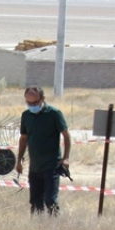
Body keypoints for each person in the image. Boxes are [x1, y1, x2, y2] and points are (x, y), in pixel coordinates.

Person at [14, 86, 72, 216]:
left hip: (51, 166)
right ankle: (37, 228)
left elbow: (66, 136)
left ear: (42, 99)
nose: (32, 105)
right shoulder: (26, 115)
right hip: (34, 167)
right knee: (35, 202)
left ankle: (54, 227)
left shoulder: (54, 113)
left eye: (35, 103)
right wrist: (19, 161)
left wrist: (66, 158)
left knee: (50, 200)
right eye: (29, 103)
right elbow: (23, 139)